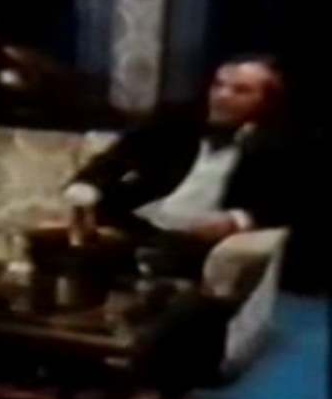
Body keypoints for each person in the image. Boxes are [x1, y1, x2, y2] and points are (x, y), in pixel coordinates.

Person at [64, 54, 302, 279]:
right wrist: (87, 187)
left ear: (268, 101)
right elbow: (114, 160)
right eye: (218, 85)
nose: (222, 96)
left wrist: (237, 220)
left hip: (201, 238)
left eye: (241, 91)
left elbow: (292, 203)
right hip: (143, 223)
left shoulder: (283, 145)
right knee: (74, 247)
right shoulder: (176, 121)